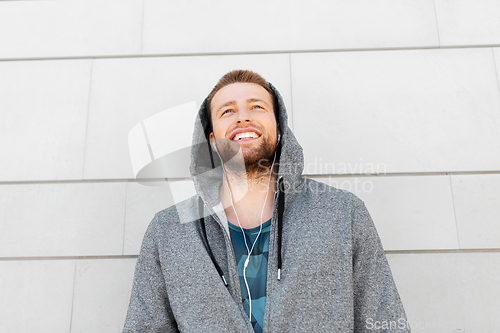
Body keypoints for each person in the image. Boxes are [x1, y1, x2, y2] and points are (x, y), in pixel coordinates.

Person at [123, 70, 410, 332]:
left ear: (279, 127)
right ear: (211, 140)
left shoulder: (343, 213)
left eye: (257, 107)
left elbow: (385, 321)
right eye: (227, 111)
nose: (243, 117)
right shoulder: (169, 230)